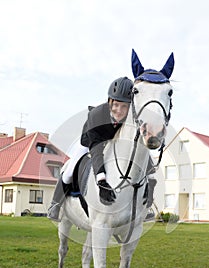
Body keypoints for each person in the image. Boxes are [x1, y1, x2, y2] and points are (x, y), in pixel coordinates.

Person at [47, 76, 156, 222]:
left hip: (115, 143)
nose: (119, 110)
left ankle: (146, 207)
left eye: (125, 106)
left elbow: (137, 143)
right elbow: (96, 149)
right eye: (116, 104)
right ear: (109, 101)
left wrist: (150, 170)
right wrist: (101, 180)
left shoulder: (132, 118)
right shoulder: (97, 115)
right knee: (69, 171)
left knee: (148, 171)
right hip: (91, 143)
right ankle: (55, 205)